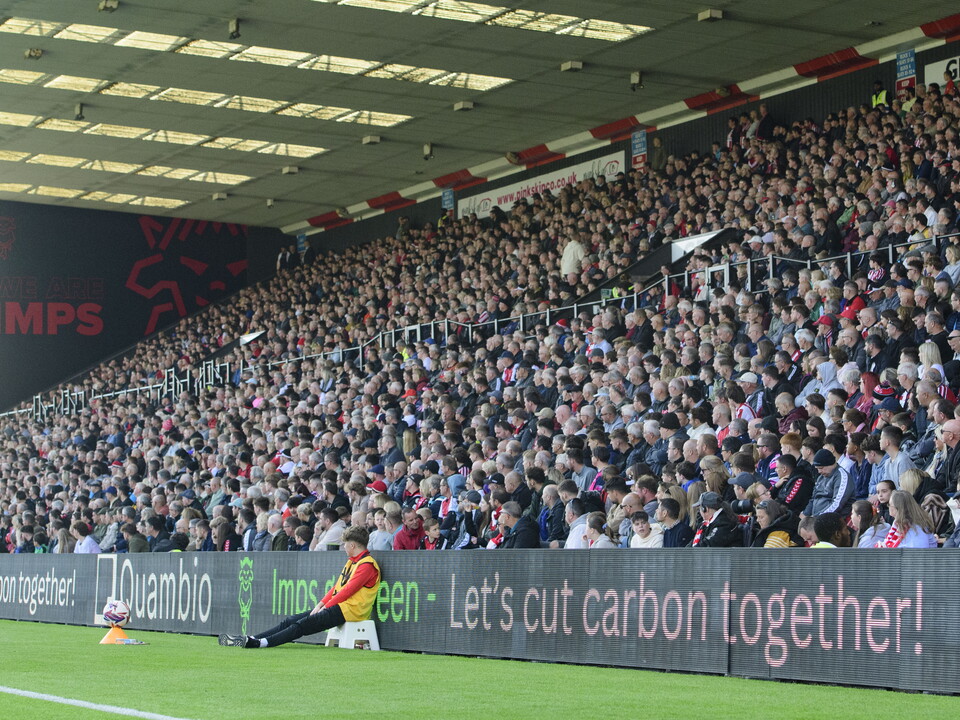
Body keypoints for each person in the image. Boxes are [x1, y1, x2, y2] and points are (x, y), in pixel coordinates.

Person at [219, 526, 381, 648]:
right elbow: (337, 588)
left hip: (351, 610)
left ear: (352, 545)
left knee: (302, 625)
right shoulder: (353, 562)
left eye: (345, 544)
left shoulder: (367, 565)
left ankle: (261, 643)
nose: (344, 547)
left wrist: (325, 607)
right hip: (340, 607)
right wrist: (320, 605)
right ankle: (252, 638)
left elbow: (348, 591)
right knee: (290, 620)